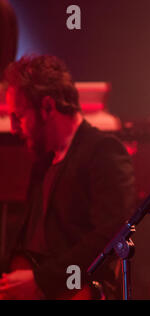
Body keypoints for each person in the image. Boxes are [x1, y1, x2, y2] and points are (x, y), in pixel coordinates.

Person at [0, 55, 136, 299]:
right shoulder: (43, 161)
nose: (14, 127)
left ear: (48, 107)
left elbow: (112, 235)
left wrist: (42, 280)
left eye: (19, 116)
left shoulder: (103, 151)